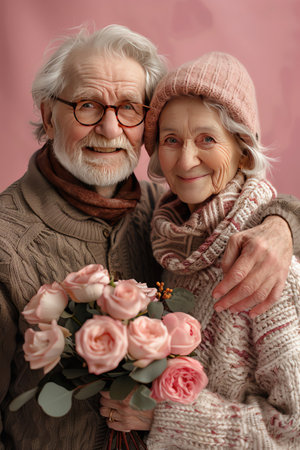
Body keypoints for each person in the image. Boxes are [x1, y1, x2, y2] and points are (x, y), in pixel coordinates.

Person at [0, 25, 298, 449]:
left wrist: (283, 223)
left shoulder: (166, 216)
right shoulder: (7, 240)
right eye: (87, 105)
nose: (108, 127)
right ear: (49, 116)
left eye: (128, 108)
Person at [100, 52, 300, 448]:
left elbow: (293, 430)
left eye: (207, 139)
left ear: (244, 150)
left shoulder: (265, 265)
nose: (187, 159)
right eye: (171, 140)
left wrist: (167, 416)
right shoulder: (174, 245)